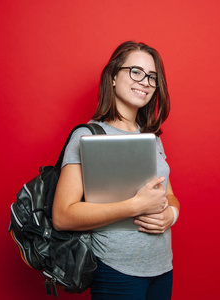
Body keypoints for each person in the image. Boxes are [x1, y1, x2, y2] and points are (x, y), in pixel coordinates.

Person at [52, 41, 180, 300]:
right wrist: (135, 206)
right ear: (112, 77)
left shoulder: (152, 139)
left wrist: (172, 215)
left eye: (152, 77)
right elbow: (63, 216)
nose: (144, 81)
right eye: (135, 71)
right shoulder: (87, 136)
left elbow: (169, 196)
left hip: (162, 268)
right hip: (116, 270)